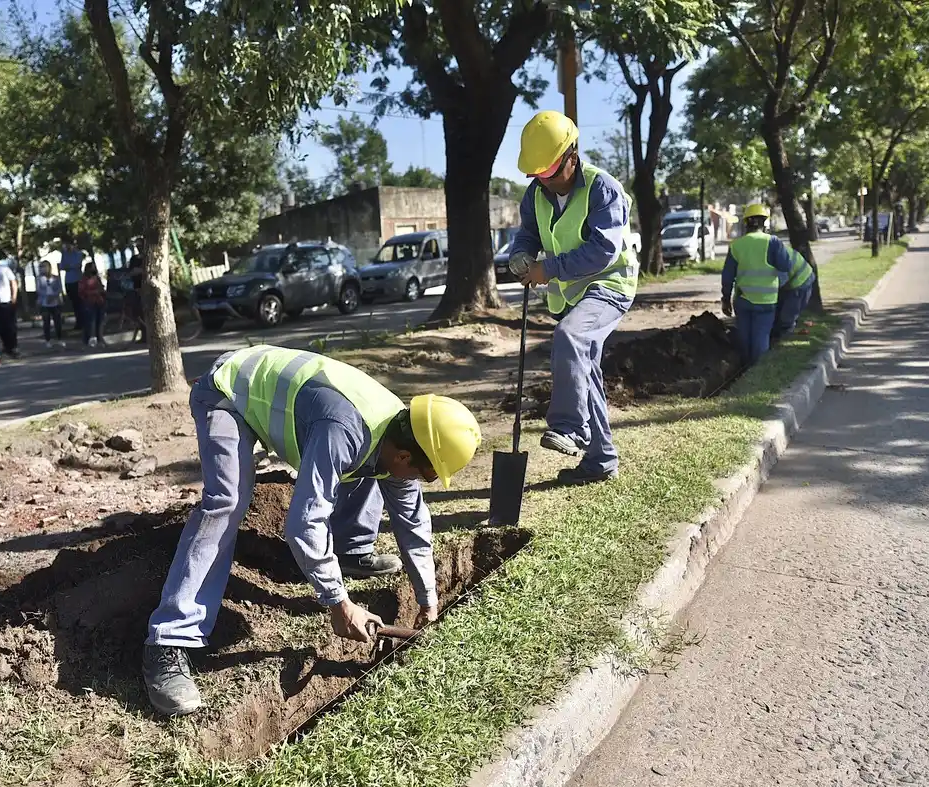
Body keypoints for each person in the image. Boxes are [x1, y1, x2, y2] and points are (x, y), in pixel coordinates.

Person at [142, 344, 482, 716]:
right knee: (227, 500)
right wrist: (339, 602)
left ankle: (349, 551)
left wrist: (427, 599)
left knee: (372, 467)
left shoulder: (400, 433)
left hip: (311, 411)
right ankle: (168, 641)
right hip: (230, 388)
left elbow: (413, 521)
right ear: (406, 456)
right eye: (427, 473)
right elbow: (303, 524)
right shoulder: (345, 431)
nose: (423, 480)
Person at [507, 110, 638, 486]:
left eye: (550, 173)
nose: (544, 183)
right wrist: (522, 255)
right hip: (572, 293)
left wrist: (546, 270)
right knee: (585, 372)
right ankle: (601, 460)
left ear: (572, 157)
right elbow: (529, 235)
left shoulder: (603, 189)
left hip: (610, 285)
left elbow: (603, 251)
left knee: (569, 336)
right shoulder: (536, 195)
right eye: (537, 176)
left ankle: (571, 428)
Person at [720, 204, 795, 367]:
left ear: (746, 222)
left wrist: (725, 299)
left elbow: (727, 277)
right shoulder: (773, 242)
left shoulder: (737, 245)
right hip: (766, 301)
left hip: (743, 300)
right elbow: (786, 266)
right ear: (764, 222)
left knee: (745, 337)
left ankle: (745, 369)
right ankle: (758, 371)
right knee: (761, 337)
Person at [771, 248, 816, 343]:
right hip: (793, 278)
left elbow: (781, 281)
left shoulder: (777, 257)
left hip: (801, 281)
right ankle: (778, 334)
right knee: (780, 309)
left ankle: (784, 339)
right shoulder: (771, 250)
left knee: (788, 314)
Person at [37, 260, 65, 349]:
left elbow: (59, 288)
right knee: (46, 322)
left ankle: (60, 339)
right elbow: (39, 290)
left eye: (44, 267)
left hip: (55, 302)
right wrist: (47, 296)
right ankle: (48, 340)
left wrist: (53, 296)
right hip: (44, 303)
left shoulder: (55, 278)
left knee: (58, 322)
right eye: (41, 267)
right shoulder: (39, 279)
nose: (43, 269)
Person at [78, 262, 106, 347]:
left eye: (94, 267)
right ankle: (91, 338)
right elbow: (81, 292)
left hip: (99, 301)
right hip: (89, 302)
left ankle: (100, 338)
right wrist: (93, 292)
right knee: (91, 321)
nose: (93, 270)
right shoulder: (84, 279)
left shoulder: (97, 278)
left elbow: (101, 287)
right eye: (91, 268)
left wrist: (101, 291)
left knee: (100, 320)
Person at [60, 243, 84, 335]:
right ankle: (78, 322)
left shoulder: (78, 254)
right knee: (74, 303)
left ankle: (83, 322)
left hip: (77, 280)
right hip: (68, 281)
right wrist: (69, 266)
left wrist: (68, 266)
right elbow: (62, 266)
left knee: (80, 302)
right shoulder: (65, 254)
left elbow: (77, 265)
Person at [127, 243, 146, 343]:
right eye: (138, 246)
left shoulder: (148, 257)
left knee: (145, 311)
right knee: (137, 312)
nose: (139, 248)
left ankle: (147, 335)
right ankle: (143, 335)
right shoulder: (134, 259)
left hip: (146, 287)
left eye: (141, 245)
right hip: (136, 287)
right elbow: (130, 271)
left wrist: (140, 271)